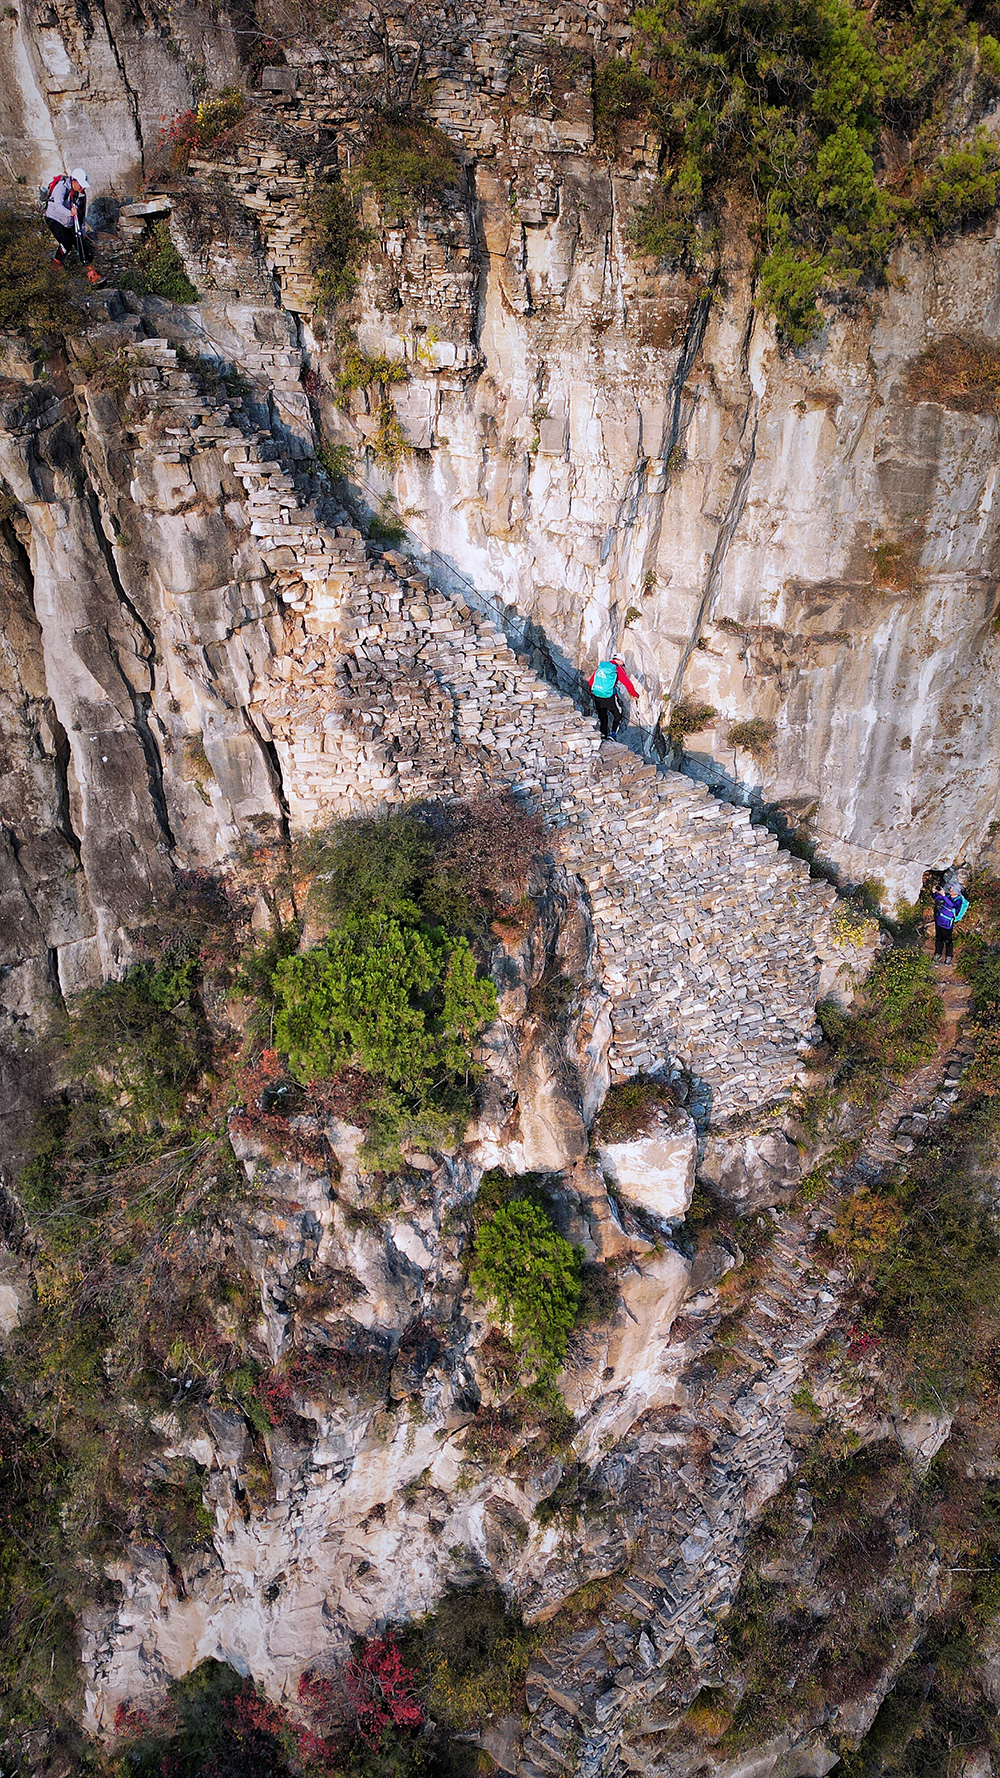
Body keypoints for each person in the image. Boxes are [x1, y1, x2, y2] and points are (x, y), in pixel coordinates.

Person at [45, 169, 103, 285]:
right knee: (66, 242)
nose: (82, 187)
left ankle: (91, 273)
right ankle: (55, 266)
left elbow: (82, 213)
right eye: (80, 184)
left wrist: (82, 230)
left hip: (70, 221)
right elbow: (57, 205)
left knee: (80, 241)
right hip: (54, 218)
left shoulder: (81, 194)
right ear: (73, 181)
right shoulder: (62, 187)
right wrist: (69, 213)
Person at [588, 654, 638, 740]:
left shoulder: (603, 666)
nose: (622, 665)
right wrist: (635, 694)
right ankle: (613, 735)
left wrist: (591, 693)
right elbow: (627, 683)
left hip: (597, 694)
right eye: (622, 663)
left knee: (603, 716)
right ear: (620, 661)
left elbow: (592, 681)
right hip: (607, 696)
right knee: (617, 715)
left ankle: (603, 735)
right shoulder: (617, 668)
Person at [932, 881, 968, 963]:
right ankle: (938, 953)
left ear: (957, 891)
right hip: (939, 921)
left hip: (947, 924)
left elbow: (952, 906)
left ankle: (949, 955)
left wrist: (944, 896)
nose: (950, 889)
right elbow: (935, 898)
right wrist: (934, 892)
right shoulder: (948, 896)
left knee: (948, 941)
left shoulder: (958, 901)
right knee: (938, 939)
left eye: (952, 888)